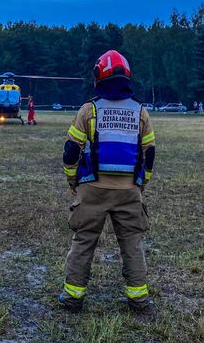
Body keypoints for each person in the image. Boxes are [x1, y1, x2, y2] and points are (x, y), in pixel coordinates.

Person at [59, 50, 156, 314]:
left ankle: (72, 297)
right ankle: (138, 300)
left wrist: (73, 180)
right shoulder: (140, 112)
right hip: (129, 191)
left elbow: (71, 151)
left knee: (84, 241)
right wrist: (141, 184)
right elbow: (149, 155)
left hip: (92, 189)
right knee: (132, 244)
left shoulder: (88, 110)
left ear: (98, 76)